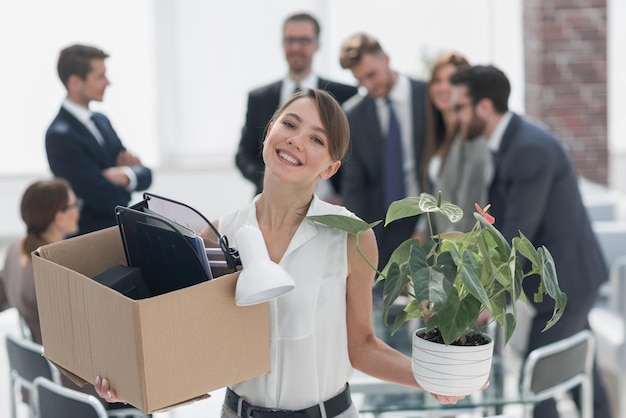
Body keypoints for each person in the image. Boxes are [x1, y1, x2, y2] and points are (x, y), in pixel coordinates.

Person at [94, 89, 467, 416]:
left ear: (330, 168)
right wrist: (127, 383)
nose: (296, 141)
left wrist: (432, 378)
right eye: (289, 124)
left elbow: (362, 345)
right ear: (269, 130)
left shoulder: (350, 238)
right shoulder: (218, 236)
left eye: (317, 140)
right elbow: (192, 349)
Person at [450, 64, 612, 418]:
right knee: (578, 371)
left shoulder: (527, 149)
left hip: (567, 281)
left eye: (459, 107)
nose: (454, 115)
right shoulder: (512, 140)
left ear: (484, 107)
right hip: (569, 278)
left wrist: (487, 300)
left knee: (536, 380)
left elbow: (516, 237)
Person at [235, 12, 357, 202]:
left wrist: (344, 195)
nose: (296, 47)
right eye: (290, 40)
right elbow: (243, 155)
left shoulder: (346, 95)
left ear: (317, 44)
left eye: (304, 41)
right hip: (271, 200)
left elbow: (355, 155)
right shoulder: (259, 98)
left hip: (329, 204)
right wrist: (276, 181)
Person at [46, 44, 152, 236]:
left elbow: (146, 175)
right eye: (100, 77)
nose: (108, 82)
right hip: (90, 241)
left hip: (120, 234)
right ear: (75, 82)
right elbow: (105, 199)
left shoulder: (102, 121)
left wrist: (125, 175)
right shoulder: (59, 136)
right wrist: (127, 181)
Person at [0, 178, 81, 344]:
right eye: (74, 205)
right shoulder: (52, 269)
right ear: (59, 217)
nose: (78, 210)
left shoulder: (14, 250)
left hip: (39, 352)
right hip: (62, 360)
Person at [421, 52, 490, 233]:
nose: (443, 87)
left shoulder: (472, 138)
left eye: (451, 80)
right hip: (440, 244)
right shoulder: (438, 135)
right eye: (437, 80)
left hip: (461, 245)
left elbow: (470, 203)